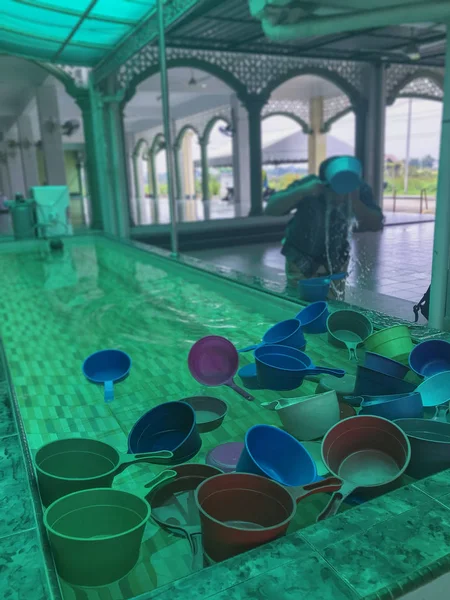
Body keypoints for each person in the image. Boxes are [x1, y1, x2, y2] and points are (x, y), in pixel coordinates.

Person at [265, 156, 384, 298]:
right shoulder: (310, 186)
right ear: (324, 184)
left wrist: (356, 201)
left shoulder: (358, 191)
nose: (338, 196)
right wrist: (302, 192)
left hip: (337, 260)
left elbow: (376, 223)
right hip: (300, 256)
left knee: (334, 302)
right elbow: (271, 209)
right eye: (333, 189)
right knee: (299, 301)